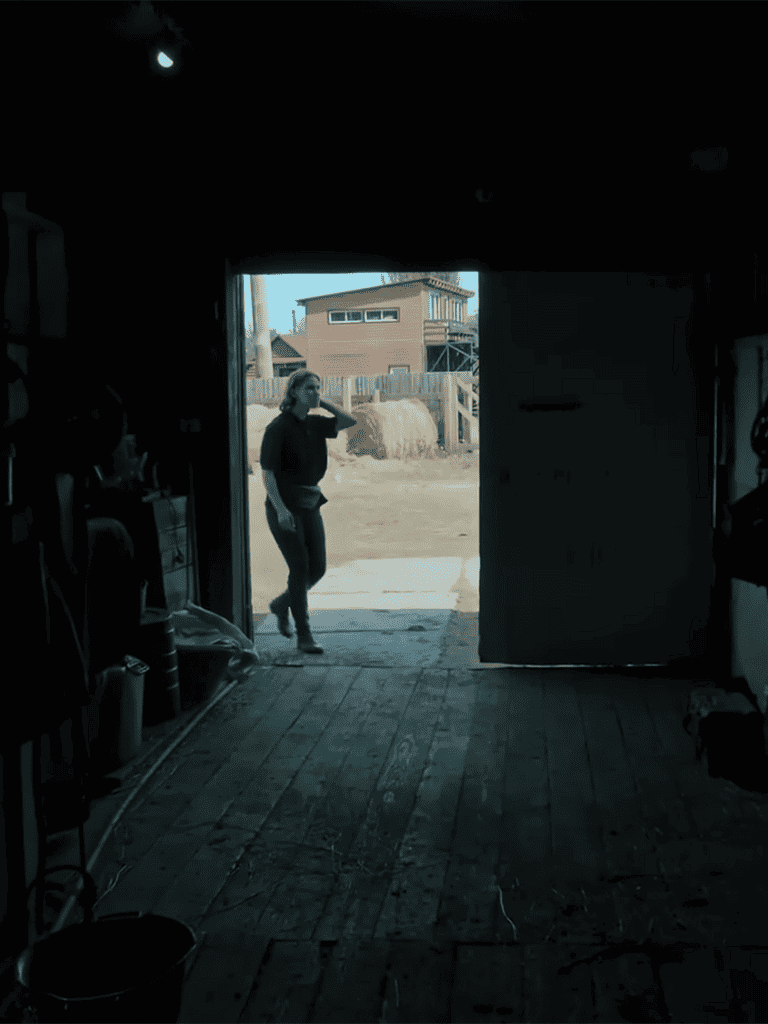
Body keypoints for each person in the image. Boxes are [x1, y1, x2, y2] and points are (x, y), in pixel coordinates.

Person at [260, 370, 357, 653]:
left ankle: (281, 604)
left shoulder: (314, 423)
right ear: (293, 393)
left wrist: (322, 402)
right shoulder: (278, 428)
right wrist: (280, 510)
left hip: (310, 501)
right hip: (284, 506)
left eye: (318, 388)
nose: (315, 392)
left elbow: (349, 421)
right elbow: (267, 474)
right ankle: (304, 635)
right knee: (300, 567)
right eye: (309, 389)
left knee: (318, 567)